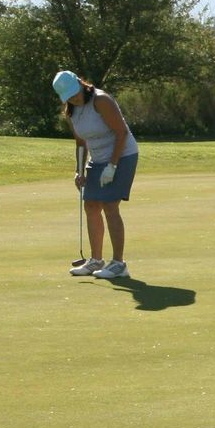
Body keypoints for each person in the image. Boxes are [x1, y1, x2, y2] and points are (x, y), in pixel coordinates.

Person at [53, 69, 139, 279]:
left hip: (123, 155)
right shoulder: (72, 111)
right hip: (98, 159)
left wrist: (112, 166)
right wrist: (79, 171)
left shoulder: (101, 101)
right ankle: (96, 260)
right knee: (91, 205)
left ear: (81, 84)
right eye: (69, 97)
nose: (74, 98)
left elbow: (122, 132)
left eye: (75, 93)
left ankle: (119, 264)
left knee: (110, 205)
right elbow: (81, 143)